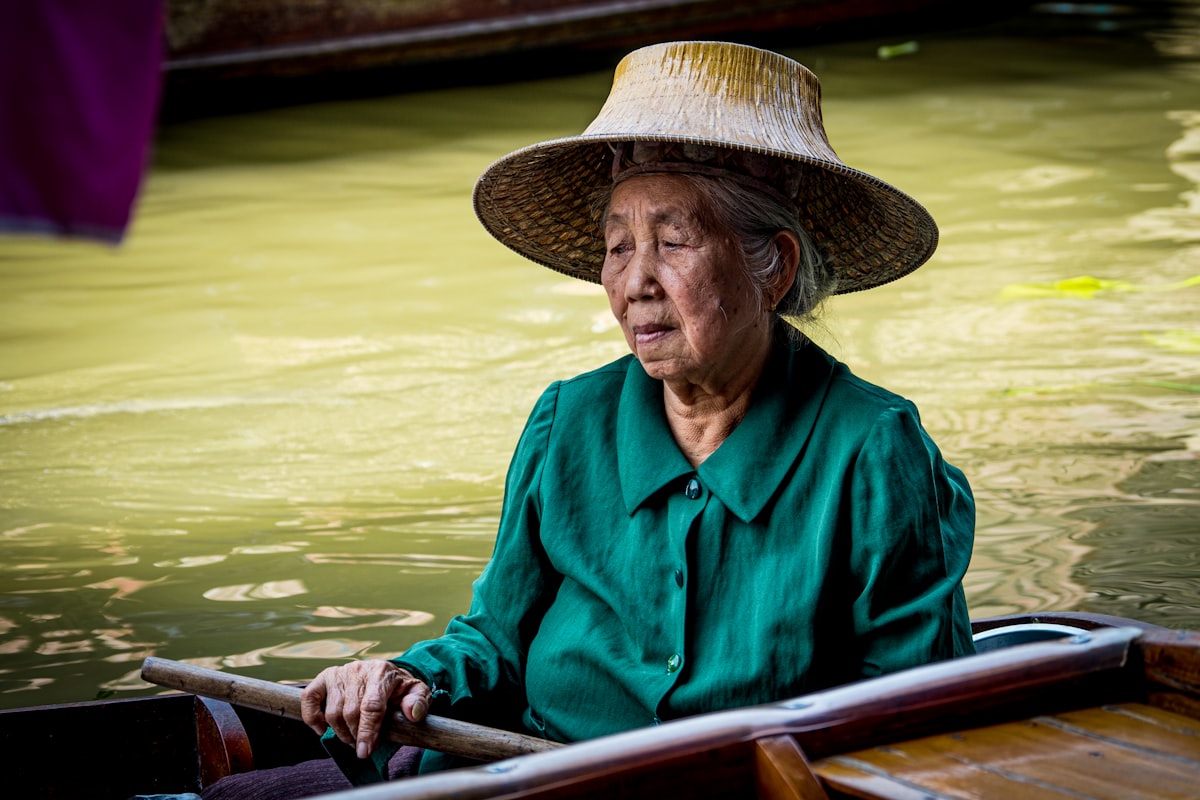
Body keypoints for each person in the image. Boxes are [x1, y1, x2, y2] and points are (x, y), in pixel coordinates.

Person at [201, 40, 974, 799]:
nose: (635, 282)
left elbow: (912, 721)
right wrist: (403, 677)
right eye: (615, 248)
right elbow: (494, 643)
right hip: (513, 778)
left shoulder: (872, 448)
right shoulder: (567, 420)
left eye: (673, 242)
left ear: (773, 265)